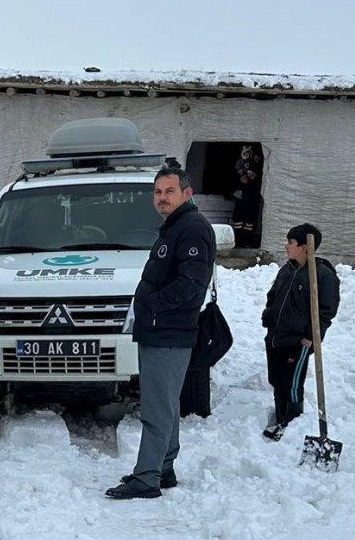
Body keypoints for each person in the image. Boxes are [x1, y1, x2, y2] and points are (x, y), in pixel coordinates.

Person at [107, 167, 215, 500]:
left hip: (169, 332)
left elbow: (192, 284)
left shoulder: (192, 229)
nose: (162, 198)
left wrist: (153, 304)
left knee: (156, 409)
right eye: (157, 192)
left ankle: (146, 478)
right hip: (161, 331)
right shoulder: (176, 227)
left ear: (187, 193)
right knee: (165, 405)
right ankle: (162, 468)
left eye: (169, 191)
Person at [260, 223, 340, 441]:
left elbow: (326, 312)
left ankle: (291, 422)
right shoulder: (287, 270)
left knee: (292, 383)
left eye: (291, 242)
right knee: (276, 380)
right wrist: (269, 315)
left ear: (305, 247)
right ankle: (279, 418)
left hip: (298, 341)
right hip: (276, 336)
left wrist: (311, 338)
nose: (286, 246)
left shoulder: (321, 275)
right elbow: (273, 296)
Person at [231, 146, 262, 247]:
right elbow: (231, 180)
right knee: (238, 220)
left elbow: (258, 180)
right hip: (240, 197)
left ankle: (246, 241)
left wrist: (253, 177)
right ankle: (237, 241)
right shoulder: (237, 165)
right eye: (246, 153)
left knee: (249, 221)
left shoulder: (255, 165)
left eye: (249, 153)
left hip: (251, 196)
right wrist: (237, 185)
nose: (248, 156)